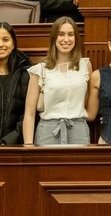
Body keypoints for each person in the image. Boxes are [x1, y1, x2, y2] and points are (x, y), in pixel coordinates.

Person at [22, 17, 91, 145]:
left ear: (76, 38)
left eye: (70, 34)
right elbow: (29, 114)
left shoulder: (85, 65)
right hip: (48, 131)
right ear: (54, 38)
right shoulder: (40, 70)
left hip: (78, 130)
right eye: (61, 34)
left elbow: (86, 100)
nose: (66, 39)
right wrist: (28, 145)